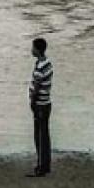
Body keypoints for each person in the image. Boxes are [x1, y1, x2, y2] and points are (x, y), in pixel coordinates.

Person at [27, 37, 53, 177]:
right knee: (44, 135)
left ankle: (41, 166)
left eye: (33, 48)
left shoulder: (40, 67)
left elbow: (36, 87)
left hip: (40, 104)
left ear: (37, 49)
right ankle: (45, 164)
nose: (31, 50)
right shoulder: (47, 63)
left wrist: (32, 100)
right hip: (46, 103)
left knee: (40, 136)